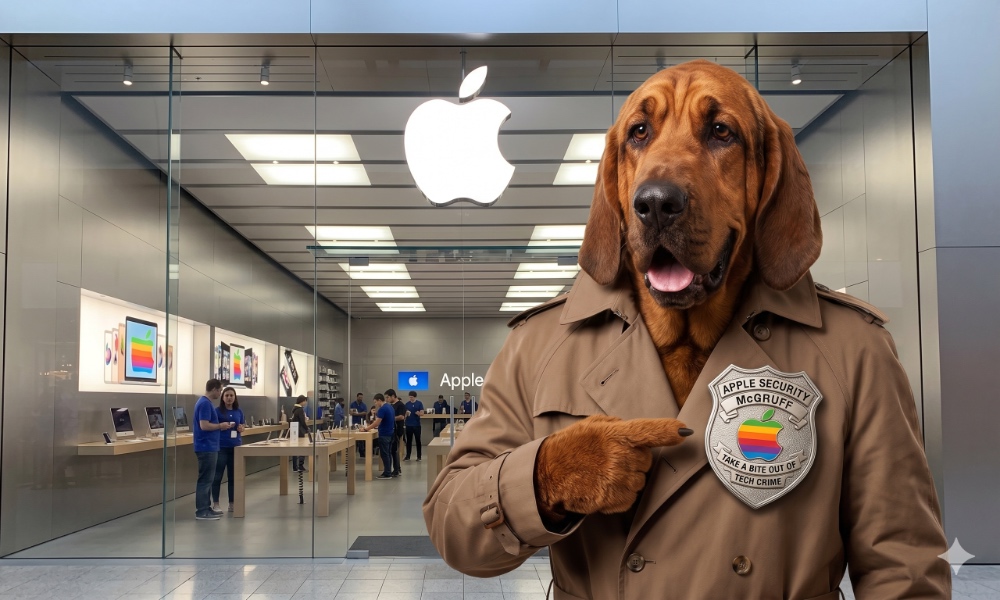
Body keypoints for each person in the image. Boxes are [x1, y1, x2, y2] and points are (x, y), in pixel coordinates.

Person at [193, 379, 231, 521]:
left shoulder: (205, 403)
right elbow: (204, 425)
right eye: (220, 390)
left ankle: (206, 507)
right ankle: (202, 511)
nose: (220, 393)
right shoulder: (204, 404)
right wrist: (220, 426)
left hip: (209, 446)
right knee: (205, 479)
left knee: (208, 479)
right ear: (214, 389)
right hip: (206, 447)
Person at [211, 386, 245, 513]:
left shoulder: (239, 411)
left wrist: (242, 428)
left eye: (231, 395)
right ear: (222, 397)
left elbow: (242, 425)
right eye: (227, 395)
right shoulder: (217, 411)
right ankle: (216, 503)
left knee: (233, 477)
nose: (229, 398)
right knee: (217, 476)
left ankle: (232, 503)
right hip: (221, 447)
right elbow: (212, 426)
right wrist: (221, 426)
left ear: (235, 397)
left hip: (235, 447)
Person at [361, 393, 395, 479]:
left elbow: (377, 422)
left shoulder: (382, 409)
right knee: (388, 453)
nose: (375, 404)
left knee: (384, 454)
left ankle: (387, 473)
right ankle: (388, 471)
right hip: (390, 433)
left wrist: (366, 429)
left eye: (376, 402)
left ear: (380, 400)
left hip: (384, 434)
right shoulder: (390, 407)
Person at [385, 389, 405, 477]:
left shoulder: (400, 405)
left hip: (397, 429)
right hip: (391, 429)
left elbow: (401, 417)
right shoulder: (391, 406)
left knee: (394, 450)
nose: (386, 399)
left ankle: (396, 469)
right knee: (392, 450)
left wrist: (390, 418)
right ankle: (397, 467)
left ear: (393, 396)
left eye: (388, 397)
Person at [290, 395, 310, 472]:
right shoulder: (300, 410)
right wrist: (306, 428)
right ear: (302, 401)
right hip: (300, 431)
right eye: (305, 401)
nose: (305, 403)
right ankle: (301, 465)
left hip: (294, 431)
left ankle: (295, 467)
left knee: (295, 449)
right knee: (302, 448)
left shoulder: (294, 409)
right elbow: (302, 421)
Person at [403, 391, 425, 461]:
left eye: (412, 397)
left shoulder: (419, 403)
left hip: (416, 424)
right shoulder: (407, 404)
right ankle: (408, 456)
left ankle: (419, 456)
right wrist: (406, 414)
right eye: (410, 397)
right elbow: (404, 415)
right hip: (408, 424)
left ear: (415, 397)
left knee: (418, 440)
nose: (410, 399)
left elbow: (422, 413)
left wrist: (418, 413)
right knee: (408, 441)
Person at [350, 393, 367, 457]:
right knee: (353, 437)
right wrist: (358, 413)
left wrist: (357, 414)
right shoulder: (352, 404)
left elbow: (365, 412)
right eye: (359, 397)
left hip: (361, 423)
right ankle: (352, 452)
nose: (360, 399)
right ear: (357, 397)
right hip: (353, 422)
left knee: (361, 439)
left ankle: (361, 452)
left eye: (361, 397)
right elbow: (351, 412)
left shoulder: (363, 405)